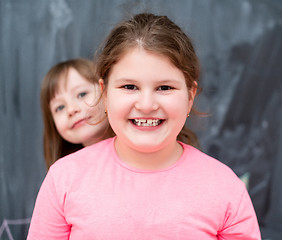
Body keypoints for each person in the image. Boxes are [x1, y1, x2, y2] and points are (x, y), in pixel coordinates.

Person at [27, 13, 261, 239]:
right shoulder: (64, 179)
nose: (147, 105)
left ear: (190, 97)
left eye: (164, 88)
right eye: (129, 87)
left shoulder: (224, 187)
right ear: (105, 94)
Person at [40, 58, 114, 169]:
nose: (71, 109)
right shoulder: (62, 174)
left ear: (106, 92)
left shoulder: (141, 154)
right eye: (60, 107)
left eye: (82, 94)